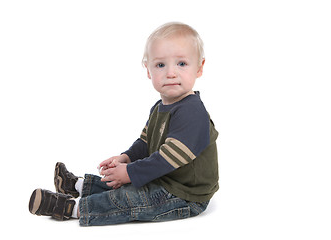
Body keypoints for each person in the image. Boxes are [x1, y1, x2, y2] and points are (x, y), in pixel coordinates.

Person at [28, 22, 219, 226]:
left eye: (181, 63)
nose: (171, 73)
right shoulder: (159, 107)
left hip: (187, 194)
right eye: (161, 65)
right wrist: (127, 158)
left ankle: (69, 208)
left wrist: (129, 172)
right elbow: (145, 143)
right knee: (129, 185)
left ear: (199, 67)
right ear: (148, 70)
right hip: (165, 179)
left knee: (132, 199)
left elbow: (167, 159)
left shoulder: (192, 112)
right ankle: (78, 185)